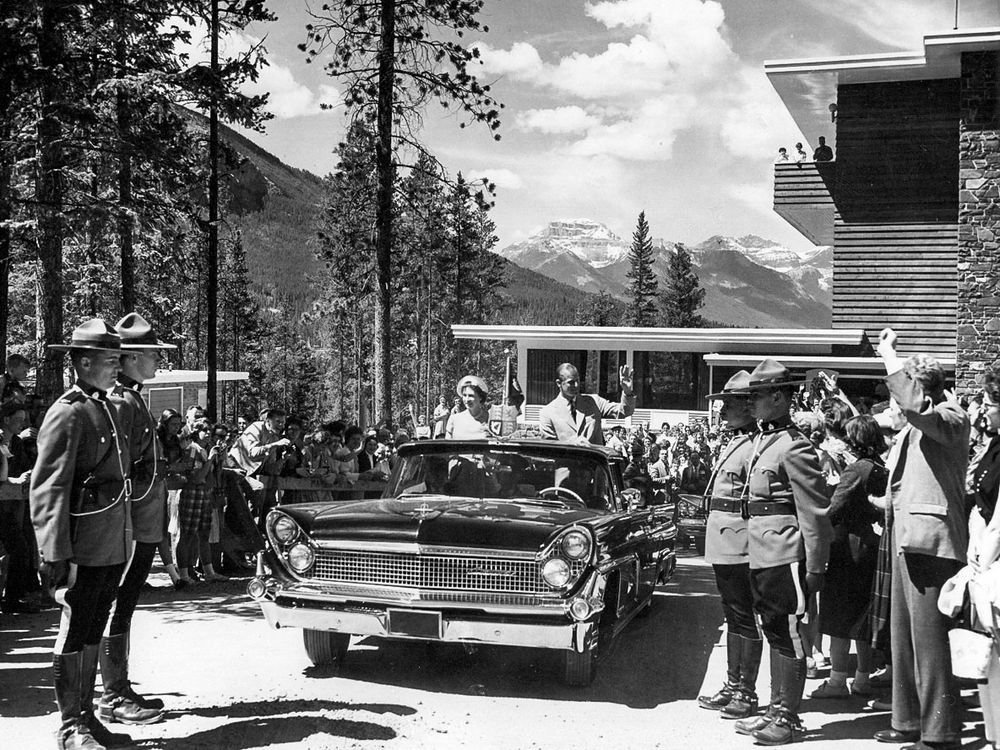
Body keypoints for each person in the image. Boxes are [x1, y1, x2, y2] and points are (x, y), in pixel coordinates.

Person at [30, 319, 137, 749]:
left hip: (110, 539)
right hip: (80, 541)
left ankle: (88, 717)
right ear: (84, 361)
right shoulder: (68, 412)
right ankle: (69, 726)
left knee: (94, 625)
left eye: (118, 359)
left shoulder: (107, 407)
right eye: (110, 360)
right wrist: (54, 553)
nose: (117, 366)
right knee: (75, 626)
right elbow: (49, 486)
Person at [872, 329, 968, 750]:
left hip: (933, 543)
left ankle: (940, 732)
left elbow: (912, 408)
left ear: (923, 388)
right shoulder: (920, 425)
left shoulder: (951, 416)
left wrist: (889, 355)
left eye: (903, 389)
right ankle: (907, 720)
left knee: (929, 643)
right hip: (909, 537)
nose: (897, 403)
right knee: (905, 640)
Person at [735, 359, 831, 745]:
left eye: (757, 396)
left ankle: (789, 717)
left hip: (785, 551)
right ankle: (776, 708)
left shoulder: (795, 447)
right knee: (773, 629)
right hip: (762, 550)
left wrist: (816, 565)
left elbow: (815, 513)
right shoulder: (767, 441)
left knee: (788, 632)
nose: (751, 403)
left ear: (778, 397)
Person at [100, 313, 176, 726]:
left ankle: (120, 688)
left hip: (144, 522)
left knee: (125, 604)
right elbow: (123, 470)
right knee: (119, 604)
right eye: (150, 354)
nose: (156, 362)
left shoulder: (133, 398)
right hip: (130, 524)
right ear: (128, 358)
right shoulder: (122, 402)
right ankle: (112, 696)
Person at [697, 371, 766, 722]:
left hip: (740, 541)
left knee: (743, 616)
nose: (722, 411)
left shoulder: (757, 444)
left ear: (749, 407)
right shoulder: (738, 440)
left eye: (729, 404)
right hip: (724, 540)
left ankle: (746, 690)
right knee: (732, 616)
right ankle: (733, 682)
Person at [811, 415, 887, 700]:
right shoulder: (881, 467)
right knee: (864, 618)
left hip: (848, 547)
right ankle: (863, 679)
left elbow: (834, 508)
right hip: (872, 544)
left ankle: (836, 680)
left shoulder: (855, 470)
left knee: (839, 617)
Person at [538, 363, 634, 446]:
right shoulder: (547, 413)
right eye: (571, 382)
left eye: (578, 381)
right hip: (566, 466)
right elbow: (549, 450)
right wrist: (572, 444)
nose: (576, 385)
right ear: (559, 383)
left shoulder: (593, 402)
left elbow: (625, 411)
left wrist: (627, 391)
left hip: (595, 466)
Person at [446, 375, 493, 440]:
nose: (467, 400)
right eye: (464, 395)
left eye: (471, 395)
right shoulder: (454, 419)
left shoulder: (490, 420)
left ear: (480, 397)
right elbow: (447, 447)